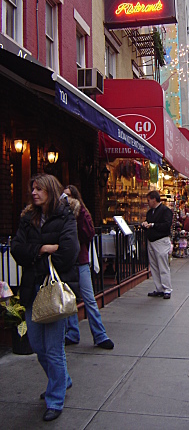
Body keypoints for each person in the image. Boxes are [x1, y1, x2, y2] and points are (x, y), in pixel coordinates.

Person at [11, 174, 80, 422]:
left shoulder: (65, 216)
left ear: (50, 190)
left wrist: (36, 258)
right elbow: (16, 249)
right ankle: (62, 380)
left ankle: (55, 398)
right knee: (38, 346)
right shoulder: (27, 218)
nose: (34, 192)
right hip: (31, 290)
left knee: (53, 349)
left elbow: (69, 252)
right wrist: (42, 248)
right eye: (32, 188)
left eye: (39, 188)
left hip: (52, 291)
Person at [63, 185, 114, 350]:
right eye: (64, 196)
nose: (66, 199)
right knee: (68, 300)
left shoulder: (81, 213)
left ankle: (99, 335)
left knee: (89, 299)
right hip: (65, 262)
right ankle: (72, 332)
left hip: (81, 260)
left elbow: (88, 234)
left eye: (69, 196)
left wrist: (76, 215)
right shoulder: (59, 214)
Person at [142, 190, 173, 299]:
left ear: (154, 199)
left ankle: (167, 289)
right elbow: (148, 222)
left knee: (163, 265)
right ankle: (159, 288)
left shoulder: (166, 211)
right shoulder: (150, 212)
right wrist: (145, 224)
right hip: (152, 240)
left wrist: (153, 225)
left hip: (161, 240)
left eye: (149, 200)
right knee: (154, 266)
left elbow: (167, 224)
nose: (148, 202)